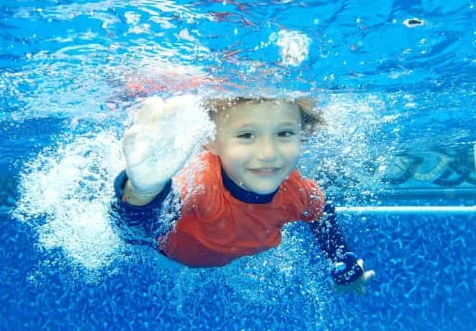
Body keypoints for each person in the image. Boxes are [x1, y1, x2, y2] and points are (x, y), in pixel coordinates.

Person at [111, 95, 375, 294]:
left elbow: (321, 212)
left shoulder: (299, 191)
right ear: (211, 140)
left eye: (284, 133)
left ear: (302, 136)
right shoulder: (201, 182)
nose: (269, 153)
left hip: (226, 253)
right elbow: (137, 233)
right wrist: (146, 191)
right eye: (246, 135)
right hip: (167, 254)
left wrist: (342, 260)